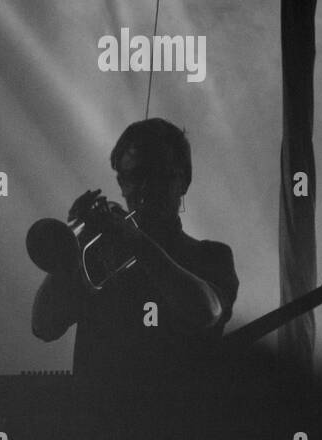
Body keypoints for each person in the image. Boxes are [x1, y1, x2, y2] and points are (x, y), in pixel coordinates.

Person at [31, 118, 239, 391]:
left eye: (157, 175)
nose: (143, 189)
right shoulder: (96, 258)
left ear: (184, 180)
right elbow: (44, 326)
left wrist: (137, 242)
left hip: (176, 424)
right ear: (120, 182)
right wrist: (73, 247)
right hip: (97, 426)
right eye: (133, 177)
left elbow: (206, 312)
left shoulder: (211, 255)